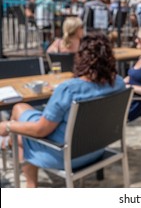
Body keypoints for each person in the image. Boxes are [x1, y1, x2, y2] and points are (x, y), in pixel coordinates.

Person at [0, 33, 126, 187]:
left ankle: (30, 185)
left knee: (20, 135)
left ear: (82, 57)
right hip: (96, 150)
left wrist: (8, 126)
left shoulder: (69, 90)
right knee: (20, 108)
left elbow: (40, 131)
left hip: (66, 156)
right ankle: (7, 141)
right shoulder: (119, 83)